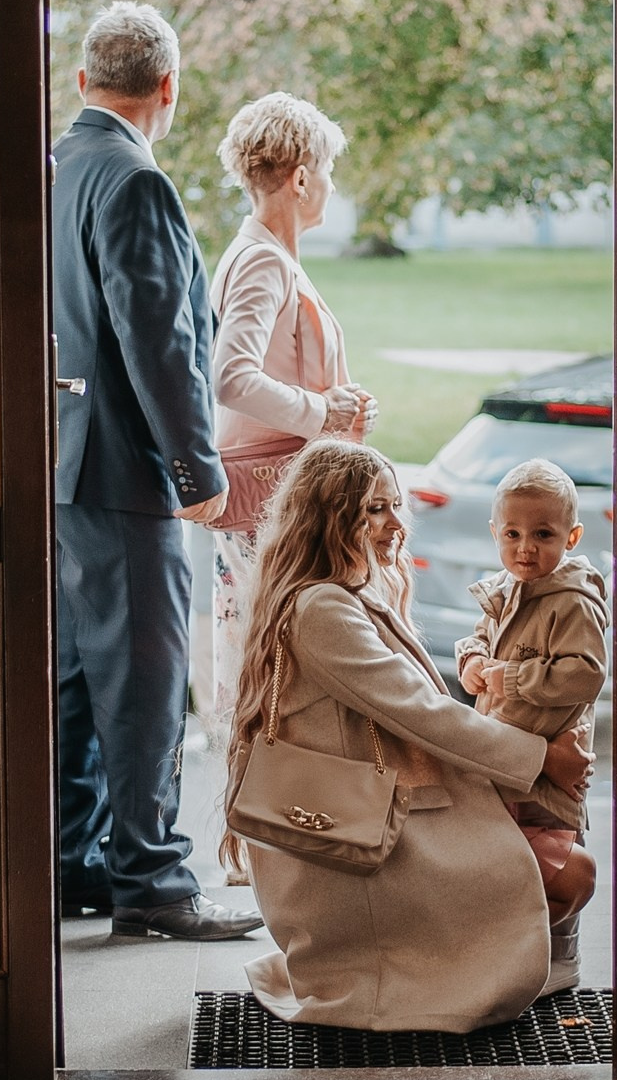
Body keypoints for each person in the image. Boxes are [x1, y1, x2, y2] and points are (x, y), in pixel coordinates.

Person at [228, 441, 596, 1033]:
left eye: (395, 505)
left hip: (364, 819)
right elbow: (424, 712)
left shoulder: (339, 595)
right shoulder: (323, 609)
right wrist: (541, 757)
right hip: (356, 843)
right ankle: (461, 973)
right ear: (330, 516)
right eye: (375, 509)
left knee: (561, 860)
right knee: (572, 874)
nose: (397, 523)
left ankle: (505, 965)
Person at [51, 2, 260, 941]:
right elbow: (160, 341)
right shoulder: (135, 180)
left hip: (61, 465)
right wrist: (195, 469)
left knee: (74, 678)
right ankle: (155, 885)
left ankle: (75, 863)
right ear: (167, 88)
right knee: (142, 680)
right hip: (128, 472)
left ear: (83, 82)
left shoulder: (55, 170)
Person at [206, 92, 376, 759]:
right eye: (327, 170)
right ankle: (271, 828)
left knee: (279, 661)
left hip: (286, 493)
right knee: (275, 664)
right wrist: (322, 412)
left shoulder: (273, 255)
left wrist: (341, 402)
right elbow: (232, 376)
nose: (331, 185)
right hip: (269, 502)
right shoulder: (261, 260)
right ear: (301, 176)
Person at [454, 460, 607, 993]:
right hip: (504, 753)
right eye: (513, 534)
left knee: (557, 848)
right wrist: (472, 659)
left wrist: (511, 678)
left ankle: (559, 958)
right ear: (496, 532)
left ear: (572, 536)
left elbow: (586, 674)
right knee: (514, 859)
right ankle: (515, 951)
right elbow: (480, 636)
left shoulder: (572, 602)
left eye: (543, 535)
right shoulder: (506, 588)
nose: (526, 548)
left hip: (550, 760)